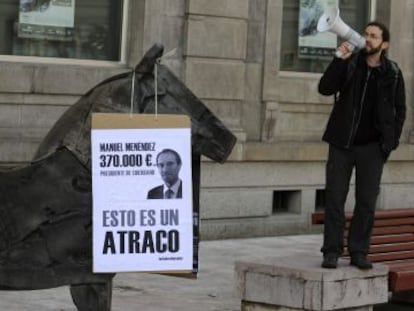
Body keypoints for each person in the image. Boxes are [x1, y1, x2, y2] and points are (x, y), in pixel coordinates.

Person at [318, 21, 406, 269]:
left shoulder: (393, 73)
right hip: (341, 144)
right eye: (366, 34)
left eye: (373, 36)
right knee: (335, 198)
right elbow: (324, 89)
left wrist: (390, 142)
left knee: (366, 202)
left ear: (384, 44)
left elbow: (400, 110)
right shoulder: (350, 64)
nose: (367, 39)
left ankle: (359, 251)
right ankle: (332, 251)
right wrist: (339, 59)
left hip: (373, 148)